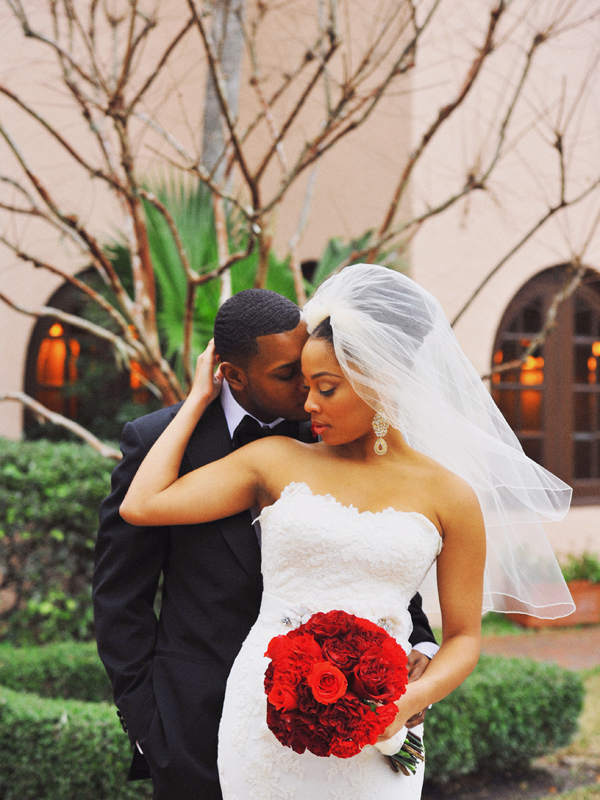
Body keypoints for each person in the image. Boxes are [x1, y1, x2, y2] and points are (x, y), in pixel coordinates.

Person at [120, 264, 574, 800]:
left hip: (381, 722)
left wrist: (408, 701)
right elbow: (142, 505)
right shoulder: (273, 459)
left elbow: (464, 640)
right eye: (305, 385)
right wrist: (198, 397)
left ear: (378, 379)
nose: (307, 404)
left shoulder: (450, 496)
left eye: (325, 387)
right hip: (263, 716)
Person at [93, 287, 438, 800]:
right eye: (287, 374)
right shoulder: (158, 442)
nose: (306, 387)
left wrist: (421, 644)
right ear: (232, 373)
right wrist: (147, 723)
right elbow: (120, 595)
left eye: (307, 367)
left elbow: (376, 545)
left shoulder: (335, 425)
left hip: (336, 717)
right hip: (194, 722)